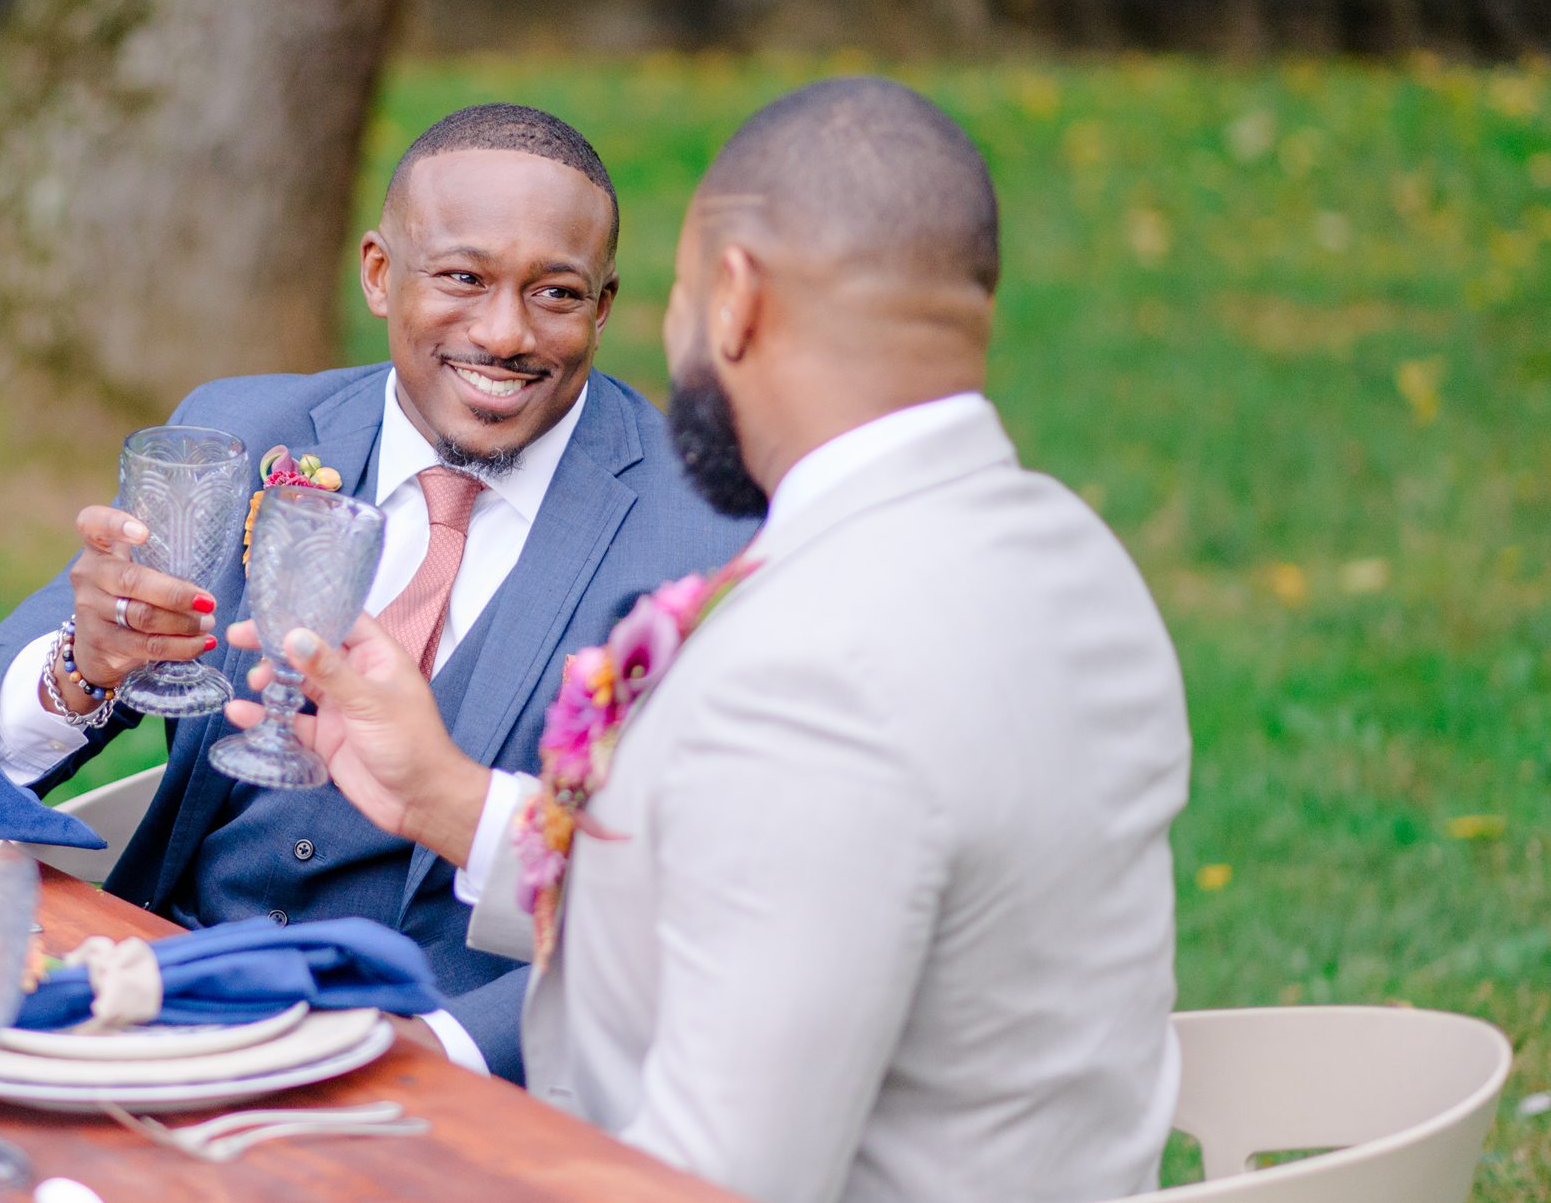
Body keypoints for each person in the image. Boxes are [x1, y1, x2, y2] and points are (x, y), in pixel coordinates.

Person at [227, 77, 1192, 1203]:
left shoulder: (806, 664)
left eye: (672, 301)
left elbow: (717, 1176)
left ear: (733, 300)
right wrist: (449, 800)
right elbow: (793, 886)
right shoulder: (1078, 563)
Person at [0, 103, 758, 1083]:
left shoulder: (705, 539)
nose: (505, 331)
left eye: (556, 293)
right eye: (463, 277)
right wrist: (79, 669)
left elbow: (701, 918)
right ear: (378, 273)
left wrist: (434, 1056)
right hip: (156, 1010)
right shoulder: (238, 429)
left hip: (434, 1081)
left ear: (604, 307)